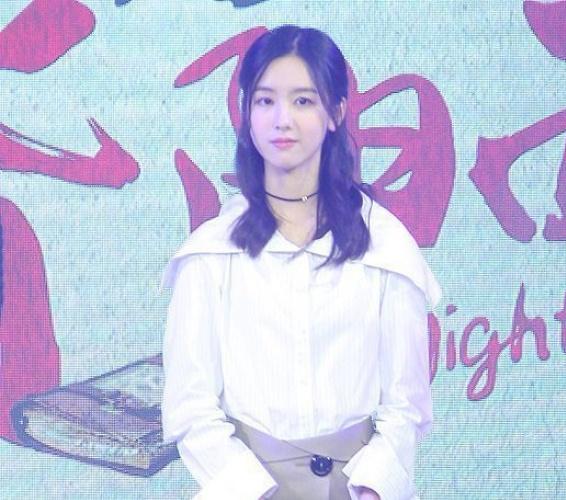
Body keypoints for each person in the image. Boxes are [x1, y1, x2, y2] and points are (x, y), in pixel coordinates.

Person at [161, 25, 442, 500]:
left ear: (336, 112)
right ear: (247, 114)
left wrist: (372, 488)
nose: (282, 120)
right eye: (265, 101)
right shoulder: (210, 254)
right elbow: (190, 409)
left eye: (303, 101)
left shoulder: (386, 245)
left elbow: (406, 405)